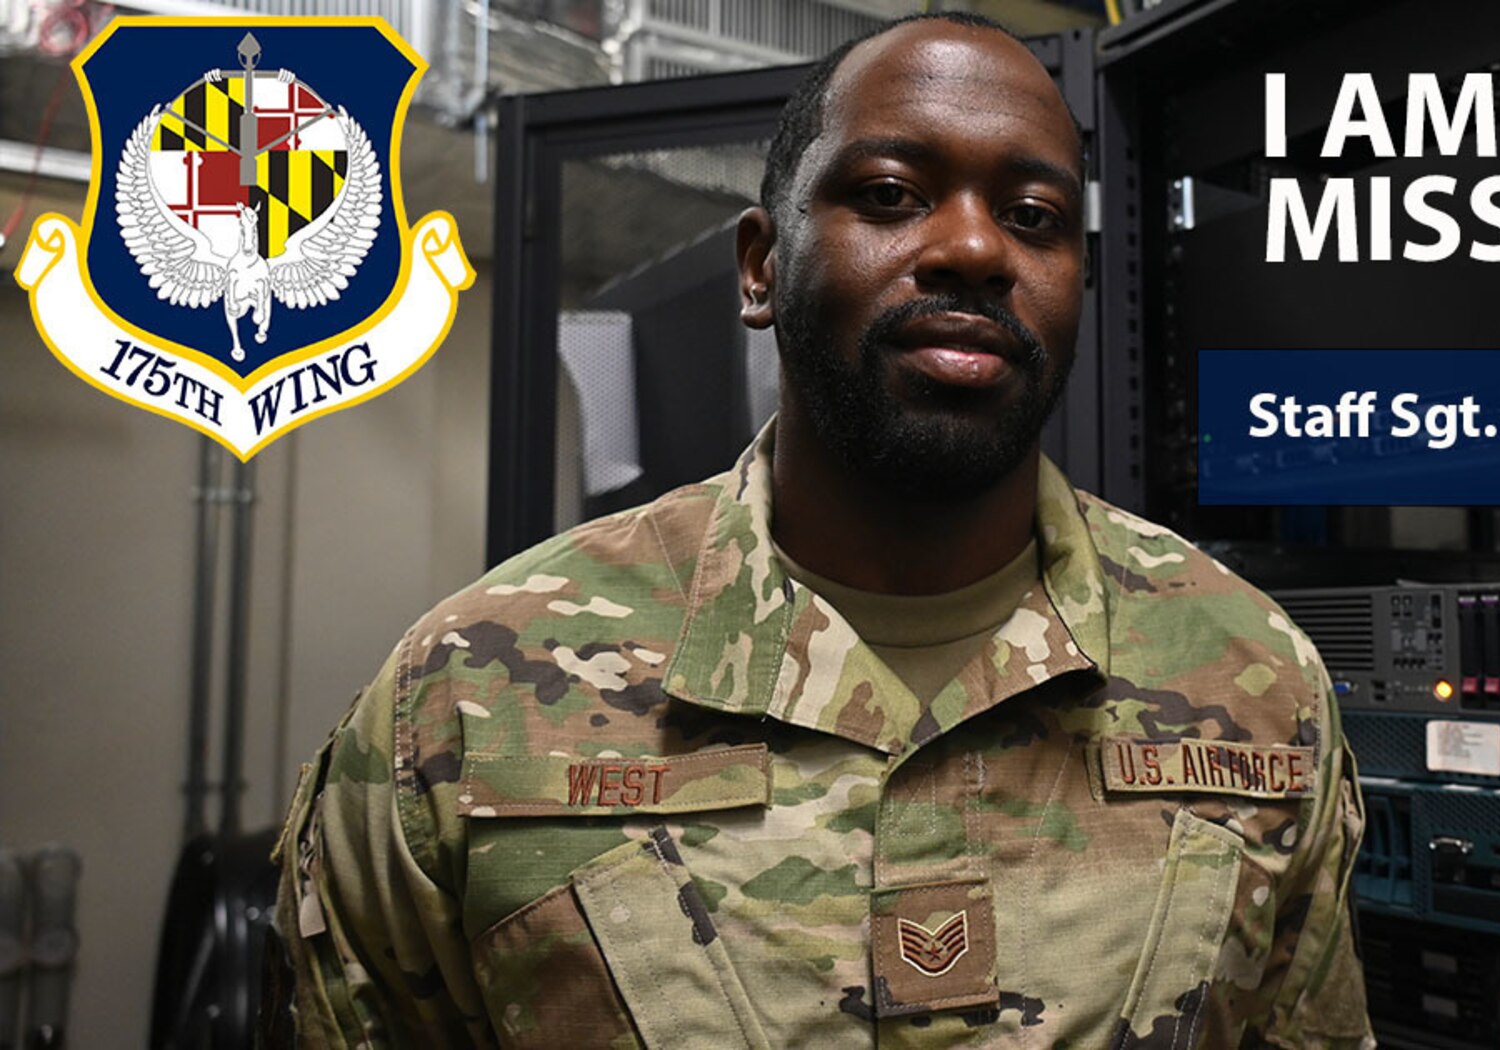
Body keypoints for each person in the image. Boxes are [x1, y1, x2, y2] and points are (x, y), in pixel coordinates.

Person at [272, 12, 1372, 1048]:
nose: (976, 250)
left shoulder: (1255, 679)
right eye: (892, 194)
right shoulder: (467, 695)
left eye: (1033, 216)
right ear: (759, 267)